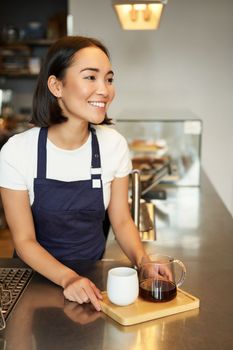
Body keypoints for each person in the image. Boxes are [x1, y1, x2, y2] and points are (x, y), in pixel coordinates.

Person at [0, 36, 149, 311]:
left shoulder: (113, 144)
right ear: (56, 85)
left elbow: (122, 220)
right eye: (90, 77)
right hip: (34, 281)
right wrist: (67, 277)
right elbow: (23, 241)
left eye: (109, 79)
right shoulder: (17, 151)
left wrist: (145, 262)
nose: (104, 90)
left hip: (92, 280)